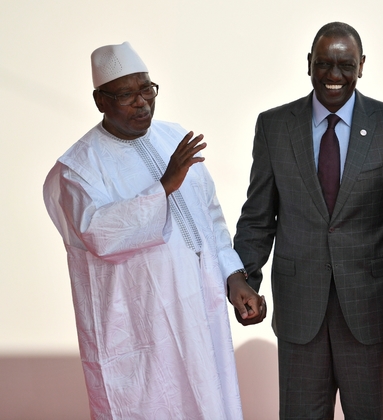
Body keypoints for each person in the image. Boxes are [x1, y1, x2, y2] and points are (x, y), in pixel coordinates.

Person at [42, 42, 265, 420]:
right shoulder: (78, 168)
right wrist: (163, 186)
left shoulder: (173, 138)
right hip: (142, 327)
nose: (142, 102)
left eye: (147, 89)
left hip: (201, 310)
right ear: (100, 101)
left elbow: (210, 217)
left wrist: (233, 276)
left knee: (210, 403)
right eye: (127, 94)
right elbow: (98, 234)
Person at [233, 22, 383, 419]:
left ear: (362, 65)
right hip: (300, 312)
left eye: (345, 65)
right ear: (309, 64)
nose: (334, 75)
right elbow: (258, 217)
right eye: (323, 64)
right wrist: (245, 280)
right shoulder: (274, 126)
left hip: (371, 312)